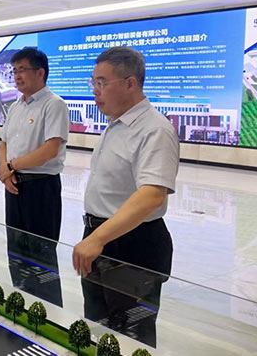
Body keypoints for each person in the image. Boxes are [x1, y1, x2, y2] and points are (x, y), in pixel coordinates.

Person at [73, 46, 179, 347]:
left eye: (102, 82)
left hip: (133, 244)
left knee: (130, 337)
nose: (95, 90)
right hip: (102, 238)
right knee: (98, 327)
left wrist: (97, 238)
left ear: (130, 83)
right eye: (93, 82)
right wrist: (95, 237)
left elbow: (152, 195)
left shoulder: (154, 130)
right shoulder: (115, 125)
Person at [0, 47, 69, 307]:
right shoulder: (16, 106)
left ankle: (48, 310)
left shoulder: (54, 104)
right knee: (16, 248)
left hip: (41, 188)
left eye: (22, 70)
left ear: (40, 73)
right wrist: (6, 173)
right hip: (14, 186)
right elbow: (3, 143)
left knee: (41, 253)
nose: (16, 76)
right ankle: (22, 303)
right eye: (14, 71)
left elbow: (50, 150)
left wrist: (11, 166)